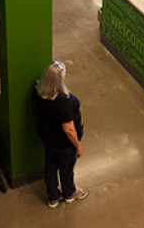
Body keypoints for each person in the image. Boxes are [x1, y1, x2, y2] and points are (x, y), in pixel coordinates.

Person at [33, 61, 88, 208]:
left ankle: (53, 198)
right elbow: (69, 129)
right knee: (66, 169)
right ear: (59, 80)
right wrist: (78, 145)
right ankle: (69, 194)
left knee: (50, 167)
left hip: (47, 138)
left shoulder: (39, 92)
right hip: (64, 144)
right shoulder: (63, 102)